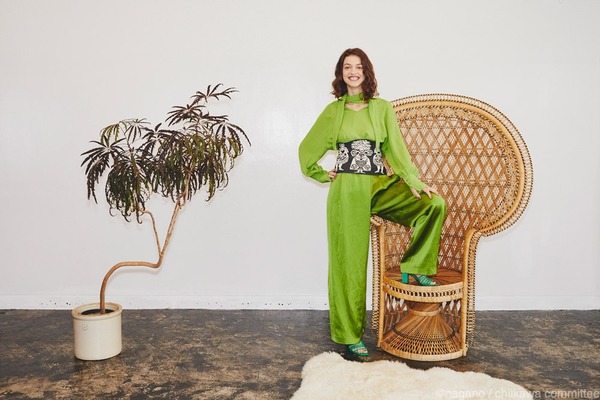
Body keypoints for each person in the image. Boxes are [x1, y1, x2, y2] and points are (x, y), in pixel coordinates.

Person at [298, 48, 446, 357]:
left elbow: (396, 150)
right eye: (347, 67)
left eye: (359, 66)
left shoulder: (381, 108)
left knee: (434, 204)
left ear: (367, 72)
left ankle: (415, 265)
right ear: (341, 74)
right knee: (348, 263)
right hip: (347, 189)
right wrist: (322, 174)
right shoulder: (333, 111)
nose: (353, 71)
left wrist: (414, 181)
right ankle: (350, 334)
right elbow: (307, 149)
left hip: (379, 183)